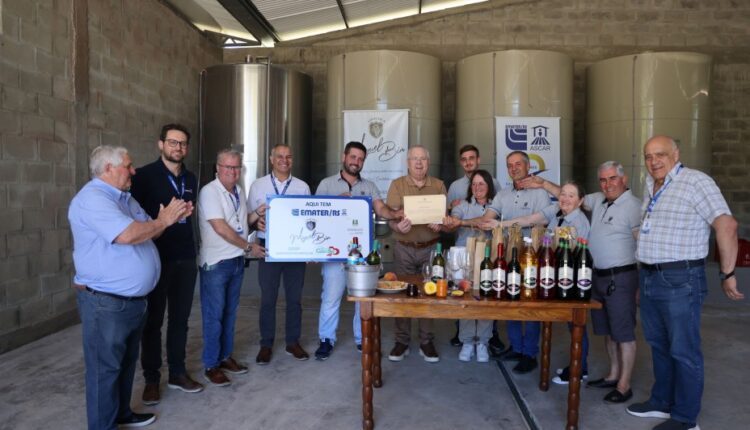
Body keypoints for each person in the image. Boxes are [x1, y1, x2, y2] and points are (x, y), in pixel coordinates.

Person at [69, 145, 192, 429]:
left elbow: (149, 229)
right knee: (104, 369)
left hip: (131, 301)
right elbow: (127, 235)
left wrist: (168, 219)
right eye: (128, 165)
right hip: (106, 303)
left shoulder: (124, 198)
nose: (133, 170)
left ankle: (121, 413)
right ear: (108, 169)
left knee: (124, 364)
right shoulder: (93, 199)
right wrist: (162, 221)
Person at [626, 135, 743, 430]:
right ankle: (662, 401)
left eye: (661, 154)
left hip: (680, 278)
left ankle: (685, 418)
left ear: (676, 154)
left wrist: (728, 273)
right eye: (648, 156)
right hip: (650, 275)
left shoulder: (695, 181)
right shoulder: (652, 185)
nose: (654, 161)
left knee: (683, 350)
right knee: (658, 344)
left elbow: (726, 224)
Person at [521, 161, 641, 402]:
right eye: (603, 180)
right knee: (608, 330)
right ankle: (613, 375)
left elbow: (642, 243)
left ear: (624, 179)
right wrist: (543, 183)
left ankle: (624, 385)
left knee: (624, 333)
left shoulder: (634, 206)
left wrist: (640, 281)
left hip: (622, 276)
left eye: (612, 178)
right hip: (598, 275)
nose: (607, 184)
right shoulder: (599, 200)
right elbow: (567, 196)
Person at [481, 180, 591, 378]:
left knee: (575, 325)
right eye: (563, 194)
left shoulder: (579, 222)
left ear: (580, 201)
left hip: (569, 282)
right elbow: (528, 219)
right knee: (521, 300)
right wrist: (500, 224)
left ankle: (578, 368)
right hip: (547, 276)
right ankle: (518, 349)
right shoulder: (556, 212)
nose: (565, 199)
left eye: (571, 195)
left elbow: (574, 258)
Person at [130, 124, 203, 405]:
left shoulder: (190, 178)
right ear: (161, 144)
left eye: (183, 143)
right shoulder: (143, 176)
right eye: (173, 142)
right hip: (156, 257)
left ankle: (177, 372)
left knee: (180, 320)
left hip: (186, 256)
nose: (178, 148)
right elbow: (133, 217)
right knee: (153, 321)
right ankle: (151, 379)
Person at [314, 141, 402, 360]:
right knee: (330, 298)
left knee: (362, 299)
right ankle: (326, 339)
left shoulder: (369, 186)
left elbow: (381, 209)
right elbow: (315, 215)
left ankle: (362, 338)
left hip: (361, 255)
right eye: (353, 157)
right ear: (344, 157)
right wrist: (336, 202)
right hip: (334, 253)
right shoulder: (326, 184)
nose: (356, 162)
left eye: (361, 159)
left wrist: (395, 214)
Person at [467, 150, 552, 373]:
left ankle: (529, 353)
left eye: (518, 164)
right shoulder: (503, 195)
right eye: (509, 165)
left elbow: (539, 219)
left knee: (530, 305)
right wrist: (458, 221)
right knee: (510, 299)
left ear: (528, 166)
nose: (513, 168)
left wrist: (501, 225)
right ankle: (516, 347)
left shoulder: (540, 193)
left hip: (531, 258)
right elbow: (487, 218)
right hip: (507, 256)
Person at [198, 149, 264, 387]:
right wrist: (248, 247)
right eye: (228, 167)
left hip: (235, 261)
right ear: (217, 168)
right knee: (214, 316)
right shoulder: (209, 191)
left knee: (229, 314)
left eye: (237, 167)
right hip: (217, 264)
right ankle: (211, 365)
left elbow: (240, 222)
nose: (233, 172)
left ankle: (225, 357)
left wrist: (256, 214)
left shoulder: (238, 191)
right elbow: (220, 227)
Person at [248, 144, 312, 365]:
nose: (284, 160)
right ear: (271, 159)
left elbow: (309, 219)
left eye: (288, 156)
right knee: (268, 298)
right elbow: (248, 218)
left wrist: (310, 248)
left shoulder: (302, 187)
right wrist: (257, 222)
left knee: (294, 299)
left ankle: (292, 342)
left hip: (295, 248)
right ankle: (266, 344)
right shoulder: (258, 185)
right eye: (280, 156)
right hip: (269, 246)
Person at [386, 145, 447, 363]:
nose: (419, 163)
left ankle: (426, 341)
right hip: (404, 247)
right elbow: (391, 218)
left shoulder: (439, 185)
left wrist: (441, 225)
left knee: (429, 293)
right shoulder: (397, 185)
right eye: (414, 159)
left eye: (423, 159)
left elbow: (445, 219)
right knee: (402, 293)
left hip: (431, 248)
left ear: (428, 162)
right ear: (408, 162)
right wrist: (396, 226)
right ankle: (401, 341)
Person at [445, 145, 504, 351]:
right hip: (464, 258)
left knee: (487, 299)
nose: (478, 187)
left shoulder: (497, 206)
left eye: (482, 184)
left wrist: (462, 222)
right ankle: (467, 340)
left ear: (489, 185)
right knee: (465, 299)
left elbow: (487, 222)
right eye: (475, 184)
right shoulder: (463, 204)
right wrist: (451, 219)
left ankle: (484, 341)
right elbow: (453, 217)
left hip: (489, 258)